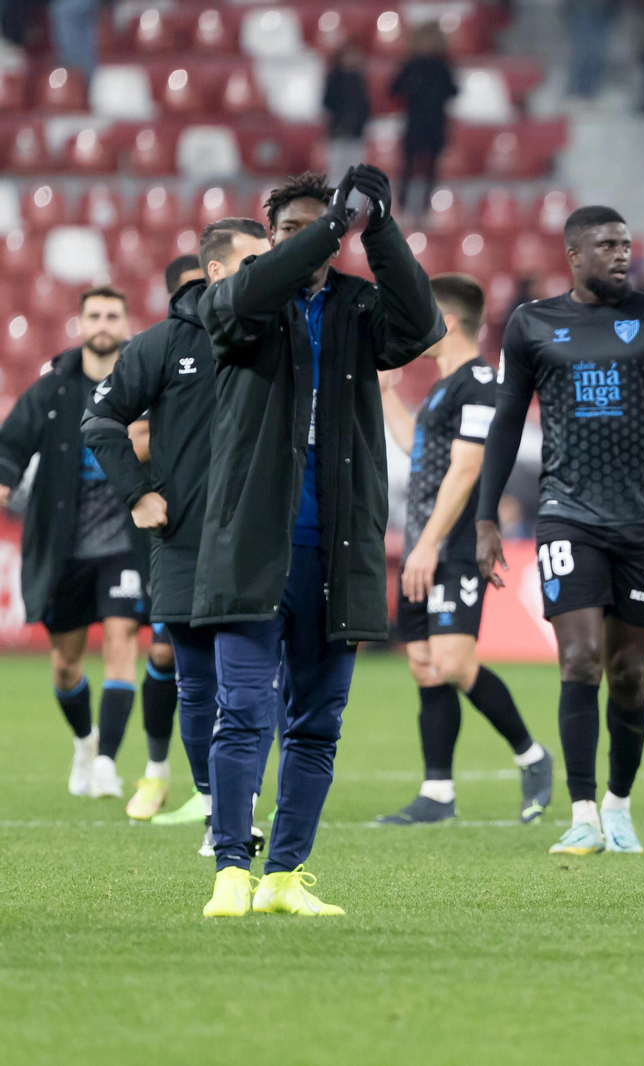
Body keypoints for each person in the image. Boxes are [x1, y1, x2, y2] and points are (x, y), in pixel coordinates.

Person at [194, 166, 442, 918]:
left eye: (322, 227)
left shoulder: (357, 308)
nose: (310, 240)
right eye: (292, 230)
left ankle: (284, 877)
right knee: (243, 712)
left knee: (317, 723)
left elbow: (422, 323)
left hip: (337, 549)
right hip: (251, 546)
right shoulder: (236, 305)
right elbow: (250, 293)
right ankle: (231, 868)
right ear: (270, 241)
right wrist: (334, 225)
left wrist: (383, 230)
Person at [476, 205, 644, 856]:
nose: (621, 253)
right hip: (567, 518)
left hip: (642, 520)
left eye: (626, 243)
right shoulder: (533, 324)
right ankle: (581, 814)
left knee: (628, 671)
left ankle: (619, 806)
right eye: (606, 245)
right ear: (574, 254)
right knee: (579, 660)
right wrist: (487, 515)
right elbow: (507, 421)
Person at [83, 219, 281, 852]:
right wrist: (137, 493)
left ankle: (238, 810)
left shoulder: (283, 334)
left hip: (261, 542)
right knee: (194, 686)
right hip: (186, 540)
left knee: (251, 686)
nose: (269, 272)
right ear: (217, 271)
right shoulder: (164, 343)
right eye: (255, 261)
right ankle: (215, 806)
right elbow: (101, 418)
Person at [373, 274, 554, 826]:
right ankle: (438, 793)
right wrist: (385, 394)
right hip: (426, 543)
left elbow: (468, 465)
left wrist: (426, 546)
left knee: (452, 661)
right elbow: (419, 450)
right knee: (426, 666)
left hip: (448, 545)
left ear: (446, 323)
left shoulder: (479, 381)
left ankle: (532, 755)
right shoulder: (445, 387)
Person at [0, 286, 147, 802]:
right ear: (80, 325)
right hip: (62, 547)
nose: (103, 323)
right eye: (95, 315)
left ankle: (107, 762)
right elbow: (10, 448)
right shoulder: (54, 388)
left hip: (125, 541)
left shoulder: (145, 379)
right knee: (65, 665)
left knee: (122, 639)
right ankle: (85, 744)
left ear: (126, 323)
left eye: (113, 314)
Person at [390, 23, 458, 219]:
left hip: (430, 123)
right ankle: (405, 208)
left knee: (426, 168)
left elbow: (453, 90)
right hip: (420, 122)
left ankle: (423, 209)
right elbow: (394, 88)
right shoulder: (415, 65)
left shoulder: (439, 65)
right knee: (412, 167)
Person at [323, 43, 371, 183]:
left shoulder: (359, 80)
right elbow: (328, 105)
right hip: (338, 133)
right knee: (337, 171)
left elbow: (364, 107)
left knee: (355, 172)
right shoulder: (334, 80)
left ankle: (352, 203)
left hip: (356, 133)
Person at [564, 0, 621, 101]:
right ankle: (577, 93)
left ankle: (589, 94)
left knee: (598, 54)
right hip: (582, 8)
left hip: (605, 10)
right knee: (586, 51)